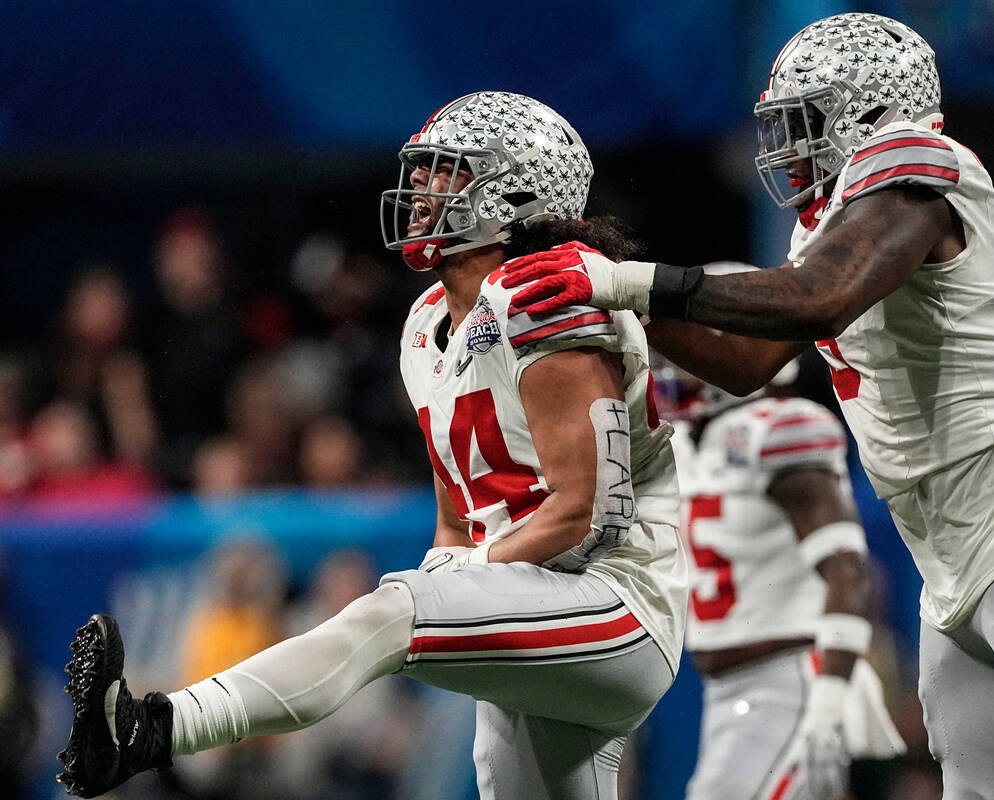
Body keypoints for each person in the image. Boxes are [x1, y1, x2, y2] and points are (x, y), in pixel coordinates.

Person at [501, 13, 994, 799]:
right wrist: (616, 293)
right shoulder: (825, 230)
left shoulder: (918, 165)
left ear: (867, 112)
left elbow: (818, 301)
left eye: (801, 123)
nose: (784, 147)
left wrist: (628, 281)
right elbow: (745, 364)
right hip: (946, 551)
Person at [56, 90, 687, 800]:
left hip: (615, 603)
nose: (419, 186)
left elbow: (583, 512)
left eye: (445, 170)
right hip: (536, 605)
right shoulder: (424, 325)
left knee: (394, 611)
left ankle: (156, 728)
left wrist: (447, 588)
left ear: (512, 191)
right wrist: (458, 579)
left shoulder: (547, 297)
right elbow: (460, 516)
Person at [656, 351, 903, 800]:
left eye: (688, 353)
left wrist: (828, 701)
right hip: (726, 693)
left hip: (789, 683)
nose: (671, 373)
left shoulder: (777, 428)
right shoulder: (687, 444)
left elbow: (848, 570)